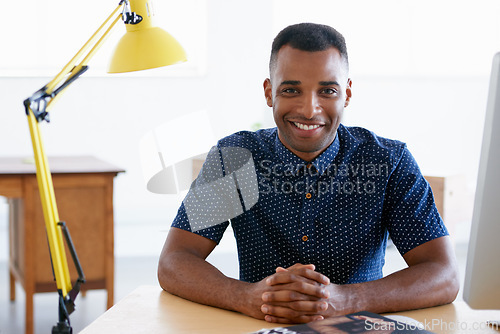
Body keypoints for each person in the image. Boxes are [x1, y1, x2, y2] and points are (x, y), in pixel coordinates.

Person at [157, 22, 459, 324]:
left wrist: (346, 300)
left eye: (327, 90)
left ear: (347, 94)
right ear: (269, 92)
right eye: (291, 89)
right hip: (257, 327)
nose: (310, 109)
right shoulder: (235, 159)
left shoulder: (388, 161)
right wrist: (245, 297)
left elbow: (444, 275)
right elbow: (175, 261)